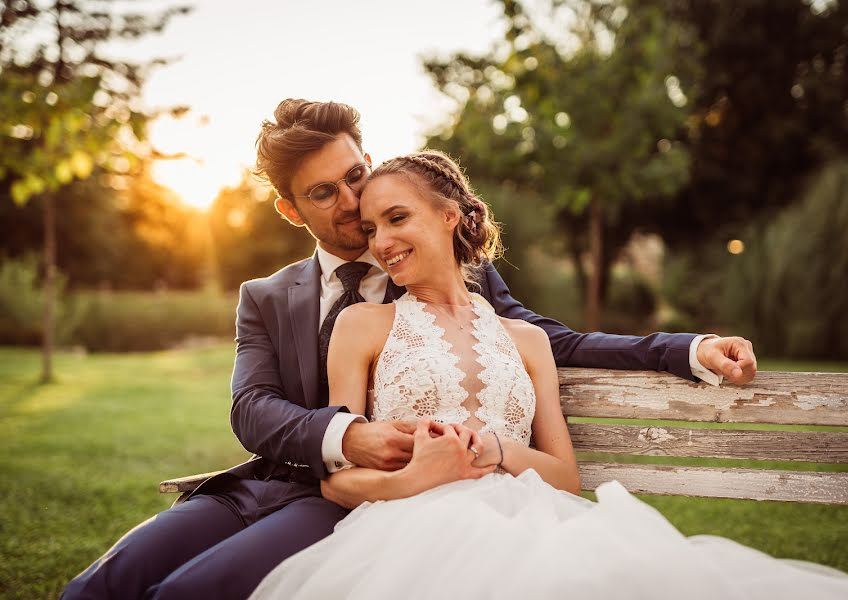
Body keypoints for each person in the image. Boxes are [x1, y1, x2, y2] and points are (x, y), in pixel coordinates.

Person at [62, 99, 756, 600]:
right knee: (102, 585)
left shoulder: (454, 274)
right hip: (262, 484)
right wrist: (350, 435)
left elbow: (559, 342)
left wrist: (685, 348)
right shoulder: (267, 296)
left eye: (356, 176)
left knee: (187, 592)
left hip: (348, 506)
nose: (351, 202)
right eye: (324, 193)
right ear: (289, 209)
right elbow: (251, 408)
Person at [248, 150, 848, 600]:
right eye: (371, 226)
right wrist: (418, 474)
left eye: (397, 219)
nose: (379, 242)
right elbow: (338, 482)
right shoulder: (364, 326)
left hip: (534, 518)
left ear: (450, 215)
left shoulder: (524, 340)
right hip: (410, 533)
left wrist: (498, 451)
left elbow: (567, 475)